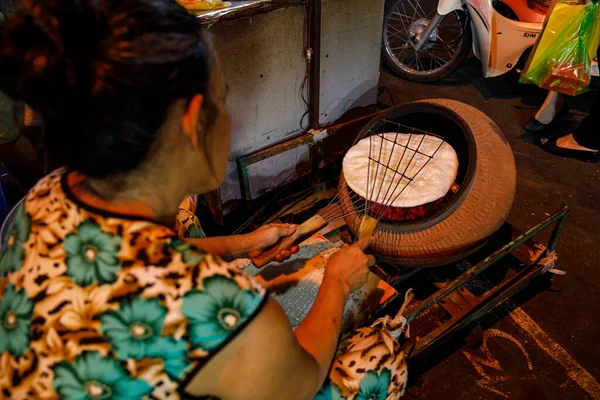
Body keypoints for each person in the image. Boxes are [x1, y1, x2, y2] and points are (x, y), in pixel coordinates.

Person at [0, 0, 408, 399]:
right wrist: (335, 282)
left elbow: (132, 256)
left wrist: (240, 246)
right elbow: (298, 381)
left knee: (184, 213)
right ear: (194, 121)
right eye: (223, 100)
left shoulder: (46, 193)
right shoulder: (216, 305)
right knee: (378, 361)